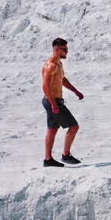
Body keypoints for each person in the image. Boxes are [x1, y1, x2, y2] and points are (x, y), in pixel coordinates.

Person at [41, 37, 84, 167]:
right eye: (64, 49)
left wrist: (76, 91)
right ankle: (66, 155)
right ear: (56, 49)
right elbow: (45, 86)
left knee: (52, 129)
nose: (67, 51)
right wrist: (54, 104)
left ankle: (48, 160)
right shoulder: (51, 66)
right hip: (53, 102)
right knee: (74, 127)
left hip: (52, 101)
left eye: (67, 49)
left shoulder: (59, 64)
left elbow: (62, 80)